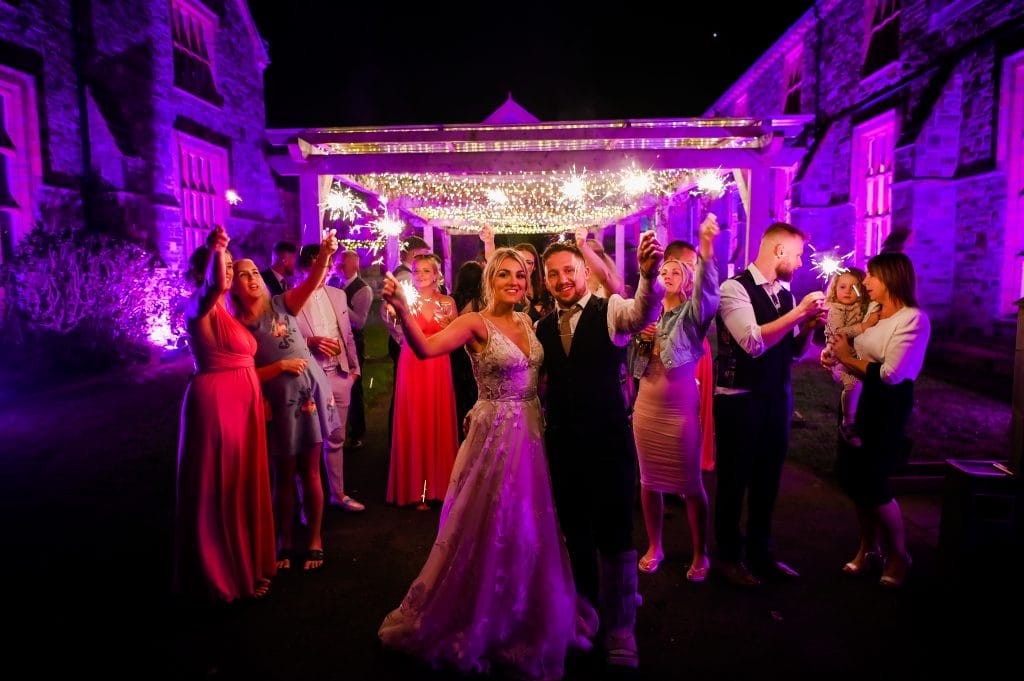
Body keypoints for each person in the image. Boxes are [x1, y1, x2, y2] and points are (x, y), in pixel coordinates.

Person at [378, 248, 596, 679]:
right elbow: (426, 349)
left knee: (528, 525)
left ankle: (525, 607)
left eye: (520, 276)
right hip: (494, 437)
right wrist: (403, 310)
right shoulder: (475, 322)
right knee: (486, 523)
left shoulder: (529, 324)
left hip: (532, 434)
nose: (514, 282)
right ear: (490, 281)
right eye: (504, 276)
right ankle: (481, 612)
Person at [535, 230, 665, 668]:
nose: (561, 280)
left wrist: (648, 277)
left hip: (608, 440)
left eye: (568, 270)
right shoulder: (543, 326)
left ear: (585, 271)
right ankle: (587, 612)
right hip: (563, 445)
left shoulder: (609, 310)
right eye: (552, 274)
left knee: (614, 531)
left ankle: (622, 627)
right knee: (575, 532)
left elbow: (642, 311)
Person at [713, 222, 827, 587]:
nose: (798, 264)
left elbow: (791, 352)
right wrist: (798, 313)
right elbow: (752, 342)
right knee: (734, 481)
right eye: (794, 255)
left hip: (776, 399)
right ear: (778, 251)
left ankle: (761, 555)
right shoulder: (734, 289)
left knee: (767, 482)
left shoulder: (786, 294)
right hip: (740, 401)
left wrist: (807, 326)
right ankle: (729, 558)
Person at [173, 226, 275, 602]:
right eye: (225, 266)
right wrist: (218, 250)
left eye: (233, 265)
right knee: (221, 483)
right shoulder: (198, 305)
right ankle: (222, 575)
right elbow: (213, 287)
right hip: (217, 403)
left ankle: (246, 561)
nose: (230, 271)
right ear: (205, 271)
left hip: (242, 401)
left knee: (242, 480)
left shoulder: (226, 311)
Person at [229, 230, 341, 572]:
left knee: (310, 470)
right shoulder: (237, 328)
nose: (250, 278)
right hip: (276, 403)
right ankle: (284, 541)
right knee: (283, 474)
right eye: (241, 274)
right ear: (232, 286)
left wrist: (324, 253)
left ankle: (314, 540)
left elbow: (312, 283)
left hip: (307, 394)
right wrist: (277, 366)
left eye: (253, 272)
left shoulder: (282, 304)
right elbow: (241, 374)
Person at [823, 252, 930, 587]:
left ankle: (899, 554)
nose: (864, 283)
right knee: (854, 479)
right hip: (859, 402)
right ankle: (868, 548)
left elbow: (891, 374)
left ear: (891, 279)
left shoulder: (913, 320)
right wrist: (836, 357)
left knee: (875, 482)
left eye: (870, 276)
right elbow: (856, 349)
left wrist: (847, 358)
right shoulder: (873, 310)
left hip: (885, 407)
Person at [631, 216, 720, 583]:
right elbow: (628, 353)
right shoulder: (644, 312)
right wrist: (641, 337)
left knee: (690, 486)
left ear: (688, 279)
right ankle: (655, 546)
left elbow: (708, 295)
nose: (668, 273)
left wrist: (707, 249)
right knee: (648, 482)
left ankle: (701, 553)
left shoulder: (693, 315)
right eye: (664, 269)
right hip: (646, 410)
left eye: (678, 270)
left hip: (680, 411)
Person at [293, 245, 365, 512]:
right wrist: (310, 341)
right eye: (316, 267)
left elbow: (347, 335)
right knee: (309, 441)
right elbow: (282, 340)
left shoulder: (337, 295)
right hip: (308, 379)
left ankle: (338, 494)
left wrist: (354, 371)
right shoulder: (291, 299)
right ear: (304, 269)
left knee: (336, 438)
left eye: (326, 266)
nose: (323, 272)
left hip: (339, 375)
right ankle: (307, 504)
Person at [386, 254, 459, 506]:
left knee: (436, 418)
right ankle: (417, 489)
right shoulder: (405, 301)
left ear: (437, 275)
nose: (420, 275)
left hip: (438, 364)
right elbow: (394, 324)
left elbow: (454, 334)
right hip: (412, 364)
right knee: (415, 419)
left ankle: (439, 487)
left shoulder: (448, 303)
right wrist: (392, 310)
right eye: (416, 271)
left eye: (426, 271)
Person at [665, 239, 716, 471]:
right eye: (688, 264)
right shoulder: (657, 298)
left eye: (694, 265)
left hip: (698, 352)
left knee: (697, 409)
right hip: (675, 357)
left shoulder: (694, 298)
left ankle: (695, 460)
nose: (692, 271)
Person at [382, 236, 432, 443]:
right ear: (409, 255)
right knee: (406, 391)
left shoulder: (406, 275)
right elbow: (388, 313)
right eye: (420, 256)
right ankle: (402, 434)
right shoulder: (405, 278)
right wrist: (405, 338)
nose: (424, 261)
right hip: (408, 343)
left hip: (409, 341)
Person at [824, 268, 872, 447]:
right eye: (842, 286)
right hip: (839, 360)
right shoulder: (835, 309)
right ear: (835, 289)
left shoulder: (860, 307)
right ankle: (847, 422)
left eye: (854, 287)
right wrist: (864, 326)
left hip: (854, 357)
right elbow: (838, 333)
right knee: (854, 383)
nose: (847, 291)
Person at [332, 250, 372, 448]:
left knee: (354, 387)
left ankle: (357, 432)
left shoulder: (362, 289)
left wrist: (339, 302)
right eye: (338, 262)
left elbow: (360, 322)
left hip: (353, 343)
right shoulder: (335, 283)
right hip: (334, 342)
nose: (338, 266)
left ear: (354, 266)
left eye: (342, 263)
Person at [450, 260, 484, 437]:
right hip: (474, 353)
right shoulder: (483, 303)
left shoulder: (451, 300)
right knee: (475, 395)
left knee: (458, 397)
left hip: (455, 354)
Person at [575, 227, 624, 298]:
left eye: (594, 254)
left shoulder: (614, 280)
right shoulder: (576, 282)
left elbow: (606, 278)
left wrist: (583, 246)